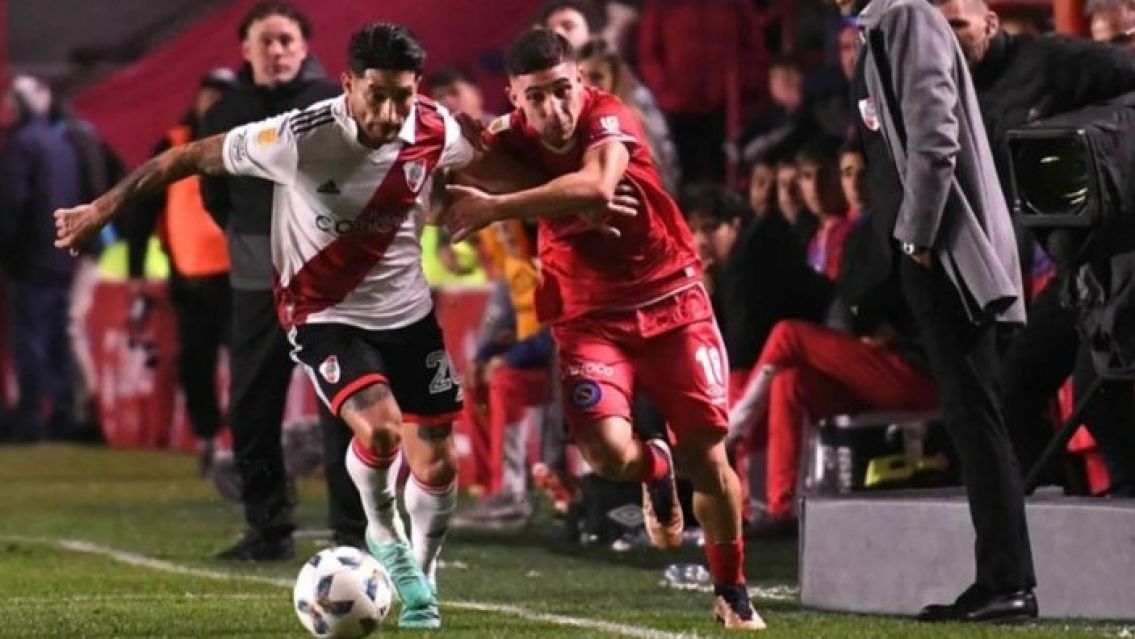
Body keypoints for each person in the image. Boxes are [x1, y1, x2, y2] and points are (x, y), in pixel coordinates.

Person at [446, 29, 766, 630]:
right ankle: (652, 467)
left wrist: (497, 205)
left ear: (581, 83)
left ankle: (732, 588)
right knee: (606, 456)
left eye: (563, 90)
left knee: (708, 453)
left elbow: (595, 183)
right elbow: (459, 176)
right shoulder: (503, 140)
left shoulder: (608, 115)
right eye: (536, 97)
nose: (554, 109)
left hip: (672, 298)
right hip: (588, 313)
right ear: (515, 99)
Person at [842, 0, 1037, 622]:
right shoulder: (881, 26)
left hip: (945, 252)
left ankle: (1009, 584)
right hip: (924, 251)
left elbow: (934, 135)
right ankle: (1000, 580)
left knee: (975, 414)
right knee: (968, 413)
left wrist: (918, 237)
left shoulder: (904, 16)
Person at [933, 0, 1135, 494]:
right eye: (938, 30)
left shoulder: (1053, 62)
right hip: (1076, 270)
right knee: (1010, 388)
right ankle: (1052, 516)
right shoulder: (945, 97)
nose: (948, 39)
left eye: (958, 25)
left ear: (991, 24)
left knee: (1103, 393)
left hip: (1122, 257)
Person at [197, 1, 365, 561]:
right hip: (256, 285)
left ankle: (353, 532)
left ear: (305, 46)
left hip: (326, 285)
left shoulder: (335, 106)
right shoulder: (223, 114)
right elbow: (213, 198)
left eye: (286, 40)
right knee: (250, 407)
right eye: (265, 41)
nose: (276, 51)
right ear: (244, 49)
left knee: (341, 405)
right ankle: (267, 529)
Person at [121, 68, 236, 475]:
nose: (212, 103)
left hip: (242, 276)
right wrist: (136, 267)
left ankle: (243, 441)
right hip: (189, 279)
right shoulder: (172, 144)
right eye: (208, 95)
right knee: (195, 363)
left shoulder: (244, 143)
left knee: (249, 364)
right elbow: (140, 207)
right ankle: (208, 437)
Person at [0, 75, 83, 442]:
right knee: (56, 337)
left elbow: (12, 203)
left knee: (31, 337)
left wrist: (6, 247)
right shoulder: (60, 143)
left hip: (30, 257)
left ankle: (31, 417)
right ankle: (63, 413)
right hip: (61, 255)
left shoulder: (21, 145)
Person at [578, 38, 680, 194]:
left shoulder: (636, 117)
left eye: (597, 77)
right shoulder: (573, 120)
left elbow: (665, 167)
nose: (589, 85)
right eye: (583, 77)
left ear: (615, 78)